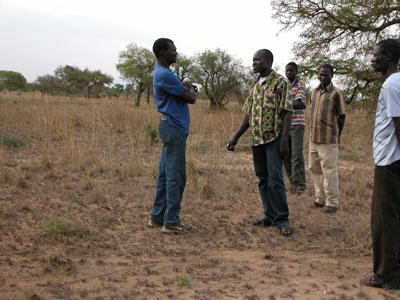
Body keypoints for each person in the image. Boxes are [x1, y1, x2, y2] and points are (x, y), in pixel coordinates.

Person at [227, 49, 293, 236]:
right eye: (253, 60)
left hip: (274, 138)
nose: (254, 62)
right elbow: (248, 114)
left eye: (258, 59)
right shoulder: (254, 86)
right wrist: (235, 137)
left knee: (276, 179)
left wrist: (284, 141)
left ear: (269, 61)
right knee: (263, 179)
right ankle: (269, 215)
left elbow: (288, 112)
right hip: (257, 139)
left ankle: (282, 219)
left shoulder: (280, 83)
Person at [361, 39, 400, 290]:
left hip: (389, 160)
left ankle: (386, 275)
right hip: (393, 159)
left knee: (383, 220)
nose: (372, 59)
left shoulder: (391, 84)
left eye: (376, 56)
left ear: (387, 57)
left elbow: (398, 125)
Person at [148, 38, 197, 234]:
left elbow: (181, 92)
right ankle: (171, 222)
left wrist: (184, 87)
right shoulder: (165, 74)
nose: (176, 53)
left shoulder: (165, 73)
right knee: (176, 176)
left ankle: (158, 217)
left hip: (170, 126)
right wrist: (191, 89)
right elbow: (191, 98)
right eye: (173, 50)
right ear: (162, 52)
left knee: (166, 175)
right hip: (173, 127)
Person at [309, 64, 346, 213]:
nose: (323, 77)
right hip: (314, 138)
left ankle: (332, 202)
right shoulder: (313, 92)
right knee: (314, 169)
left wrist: (338, 136)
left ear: (332, 75)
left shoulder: (336, 93)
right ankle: (320, 198)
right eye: (321, 75)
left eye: (326, 75)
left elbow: (342, 117)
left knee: (329, 170)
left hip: (328, 138)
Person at [283, 62, 307, 194]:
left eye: (291, 71)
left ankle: (300, 185)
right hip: (285, 125)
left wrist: (284, 104)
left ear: (296, 71)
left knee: (297, 155)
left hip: (297, 124)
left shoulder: (300, 84)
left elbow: (300, 104)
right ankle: (293, 182)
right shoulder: (284, 85)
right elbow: (294, 103)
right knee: (285, 154)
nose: (289, 73)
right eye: (287, 71)